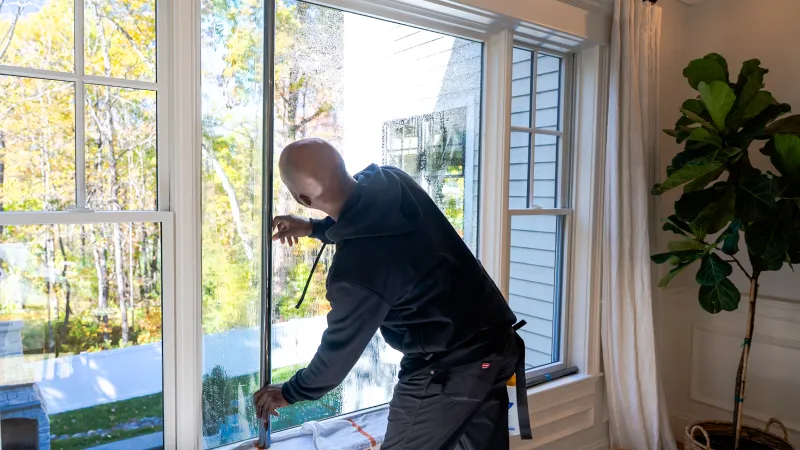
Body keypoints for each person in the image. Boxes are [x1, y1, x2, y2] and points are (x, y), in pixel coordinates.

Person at [253, 138, 531, 449]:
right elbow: (372, 221)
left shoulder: (356, 270)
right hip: (498, 345)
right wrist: (314, 228)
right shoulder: (391, 180)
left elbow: (336, 356)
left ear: (303, 198)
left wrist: (290, 392)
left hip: (449, 369)